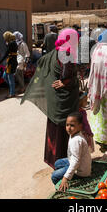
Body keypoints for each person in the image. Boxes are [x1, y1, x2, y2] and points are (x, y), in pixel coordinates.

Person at [21, 28, 79, 169]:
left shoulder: (56, 52)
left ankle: (52, 159)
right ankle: (62, 162)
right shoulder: (67, 54)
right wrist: (69, 82)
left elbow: (41, 62)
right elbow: (67, 77)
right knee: (63, 131)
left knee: (54, 130)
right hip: (64, 102)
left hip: (55, 100)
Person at [51, 111, 92, 190]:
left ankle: (61, 189)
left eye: (72, 125)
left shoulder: (76, 140)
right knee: (57, 163)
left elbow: (76, 161)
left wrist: (66, 178)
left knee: (54, 176)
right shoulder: (74, 133)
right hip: (75, 162)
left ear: (80, 126)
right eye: (67, 125)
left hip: (80, 171)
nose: (69, 128)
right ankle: (65, 174)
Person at [0, 31, 18, 98]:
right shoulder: (13, 43)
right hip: (11, 61)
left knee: (10, 78)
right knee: (5, 76)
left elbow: (6, 53)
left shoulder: (12, 43)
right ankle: (12, 89)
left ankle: (12, 93)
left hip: (11, 62)